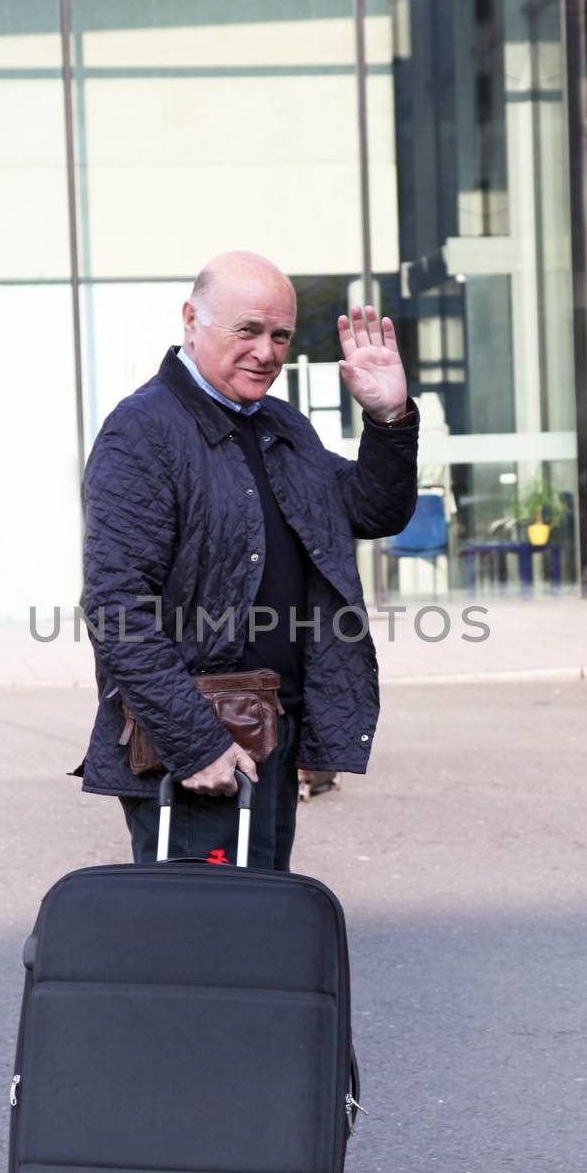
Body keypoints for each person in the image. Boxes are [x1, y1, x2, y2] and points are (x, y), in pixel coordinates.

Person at [73, 250, 419, 870]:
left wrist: (388, 417)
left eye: (280, 335)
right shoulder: (142, 432)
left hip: (270, 731)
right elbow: (116, 607)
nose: (266, 352)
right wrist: (195, 742)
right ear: (190, 320)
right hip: (201, 745)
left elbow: (371, 510)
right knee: (200, 948)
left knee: (255, 937)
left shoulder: (279, 424)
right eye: (248, 331)